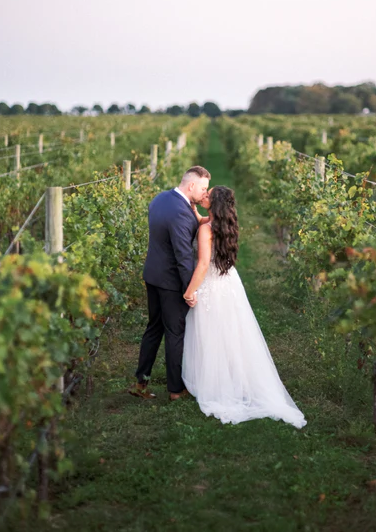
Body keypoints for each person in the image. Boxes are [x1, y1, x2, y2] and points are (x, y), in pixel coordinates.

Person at [182, 186, 307, 429]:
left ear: (215, 203)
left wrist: (189, 292)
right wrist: (196, 211)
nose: (204, 195)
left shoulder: (206, 230)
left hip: (211, 285)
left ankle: (216, 384)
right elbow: (205, 222)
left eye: (208, 195)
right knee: (232, 333)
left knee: (211, 334)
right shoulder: (224, 224)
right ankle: (235, 379)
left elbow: (204, 264)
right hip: (229, 283)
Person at [129, 166, 210, 401]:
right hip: (170, 282)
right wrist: (189, 290)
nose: (204, 194)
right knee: (175, 333)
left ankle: (141, 381)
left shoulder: (161, 199)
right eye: (203, 188)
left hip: (152, 275)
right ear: (191, 185)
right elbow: (183, 257)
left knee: (153, 328)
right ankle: (176, 389)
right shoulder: (181, 214)